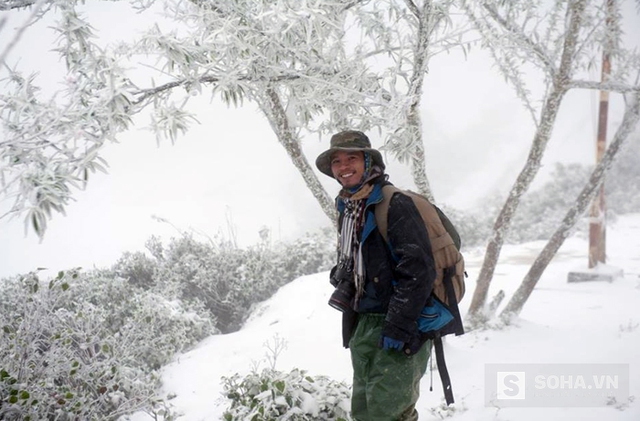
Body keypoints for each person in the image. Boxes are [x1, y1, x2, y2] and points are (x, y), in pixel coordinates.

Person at [315, 130, 437, 421]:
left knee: (389, 412)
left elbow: (419, 271)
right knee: (364, 410)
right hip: (364, 322)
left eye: (352, 158)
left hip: (400, 323)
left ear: (369, 161)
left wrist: (398, 327)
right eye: (337, 161)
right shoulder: (349, 207)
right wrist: (343, 275)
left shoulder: (394, 204)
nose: (343, 166)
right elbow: (363, 256)